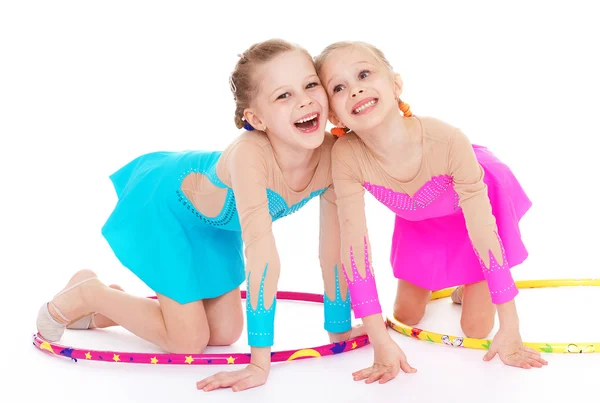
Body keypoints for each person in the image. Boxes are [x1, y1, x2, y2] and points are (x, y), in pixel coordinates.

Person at [36, 38, 360, 392]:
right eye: (283, 95)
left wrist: (339, 326)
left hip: (215, 228)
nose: (305, 100)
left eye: (310, 84)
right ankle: (91, 293)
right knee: (187, 341)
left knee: (224, 333)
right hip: (165, 208)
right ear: (256, 118)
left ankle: (107, 310)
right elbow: (262, 257)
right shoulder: (250, 157)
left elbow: (335, 247)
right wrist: (259, 364)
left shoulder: (334, 155)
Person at [313, 40, 548, 385]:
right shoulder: (346, 156)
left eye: (364, 73)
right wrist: (379, 338)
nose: (356, 88)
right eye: (339, 87)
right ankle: (454, 282)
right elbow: (354, 247)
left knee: (475, 328)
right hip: (419, 217)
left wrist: (510, 327)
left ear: (395, 84)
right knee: (404, 314)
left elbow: (483, 229)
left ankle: (468, 282)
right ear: (333, 113)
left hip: (475, 204)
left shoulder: (447, 139)